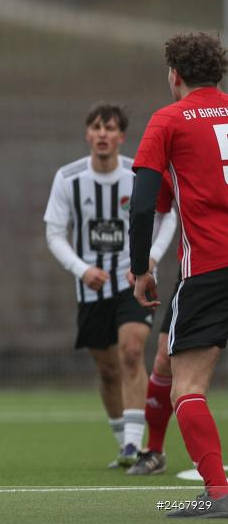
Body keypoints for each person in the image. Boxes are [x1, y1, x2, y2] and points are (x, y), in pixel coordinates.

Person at [44, 103, 176, 470]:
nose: (103, 134)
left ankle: (135, 446)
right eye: (96, 127)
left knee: (132, 352)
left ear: (121, 136)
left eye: (111, 128)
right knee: (106, 369)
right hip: (90, 288)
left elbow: (167, 218)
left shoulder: (139, 175)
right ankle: (123, 442)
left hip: (133, 282)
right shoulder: (68, 178)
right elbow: (55, 233)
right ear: (87, 134)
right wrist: (82, 269)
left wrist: (149, 259)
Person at [131, 31, 228, 517]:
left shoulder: (168, 120)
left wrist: (138, 267)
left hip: (210, 269)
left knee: (187, 388)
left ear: (175, 75)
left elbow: (144, 204)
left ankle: (218, 494)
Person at [126, 178, 178, 476]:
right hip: (203, 272)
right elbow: (161, 210)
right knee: (164, 355)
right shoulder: (186, 139)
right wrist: (145, 265)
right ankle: (155, 449)